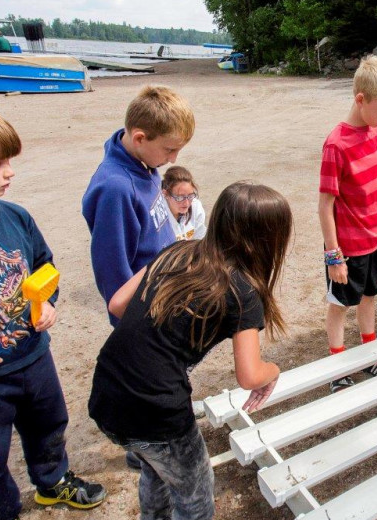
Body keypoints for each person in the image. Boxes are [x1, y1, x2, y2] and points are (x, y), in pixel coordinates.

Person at [88, 182, 288, 520]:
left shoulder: (176, 250)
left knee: (156, 467)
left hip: (107, 390)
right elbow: (250, 375)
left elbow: (119, 304)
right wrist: (274, 371)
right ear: (269, 240)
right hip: (155, 409)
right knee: (194, 492)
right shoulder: (243, 291)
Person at [0, 103, 105, 520]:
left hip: (33, 357)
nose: (10, 171)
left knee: (50, 425)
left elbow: (45, 267)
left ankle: (52, 482)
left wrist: (46, 301)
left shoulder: (15, 217)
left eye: (9, 160)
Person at [318, 55, 377, 393]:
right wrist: (333, 256)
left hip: (374, 241)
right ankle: (337, 368)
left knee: (370, 297)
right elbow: (325, 207)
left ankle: (371, 357)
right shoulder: (336, 145)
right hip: (347, 248)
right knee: (340, 305)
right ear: (360, 99)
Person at [82, 85, 194, 327]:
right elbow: (112, 271)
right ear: (139, 138)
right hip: (144, 312)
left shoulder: (145, 162)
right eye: (170, 149)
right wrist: (136, 324)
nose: (173, 159)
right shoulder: (116, 189)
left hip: (164, 291)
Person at [162, 165, 206, 241]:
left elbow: (200, 239)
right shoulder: (159, 216)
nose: (186, 203)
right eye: (179, 198)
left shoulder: (196, 206)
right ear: (166, 194)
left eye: (190, 196)